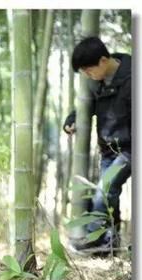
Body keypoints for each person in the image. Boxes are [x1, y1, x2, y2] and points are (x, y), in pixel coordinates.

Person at [63, 37, 131, 256]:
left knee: (104, 191)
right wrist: (72, 119)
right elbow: (86, 106)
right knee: (111, 197)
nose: (86, 75)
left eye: (88, 69)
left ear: (103, 60)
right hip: (108, 150)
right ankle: (109, 245)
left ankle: (95, 237)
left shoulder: (132, 76)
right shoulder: (98, 82)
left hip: (130, 149)